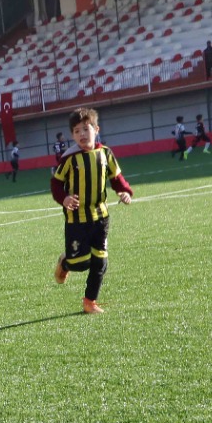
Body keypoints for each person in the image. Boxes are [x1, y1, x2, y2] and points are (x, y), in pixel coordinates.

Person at [51, 107, 134, 316]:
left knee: (100, 261)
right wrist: (65, 198)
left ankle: (90, 302)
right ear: (72, 135)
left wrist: (124, 192)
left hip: (101, 218)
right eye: (77, 131)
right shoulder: (69, 159)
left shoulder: (105, 154)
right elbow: (56, 184)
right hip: (76, 219)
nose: (82, 134)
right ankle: (65, 263)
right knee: (80, 263)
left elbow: (117, 178)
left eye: (86, 129)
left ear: (96, 129)